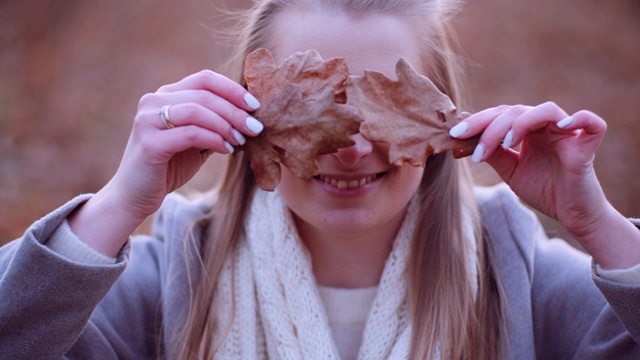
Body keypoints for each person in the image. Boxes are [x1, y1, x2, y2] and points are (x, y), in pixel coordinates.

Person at [1, 0, 639, 359]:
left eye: (383, 104)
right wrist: (117, 204)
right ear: (247, 115)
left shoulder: (523, 284)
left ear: (445, 120)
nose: (352, 147)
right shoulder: (168, 284)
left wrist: (597, 226)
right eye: (315, 106)